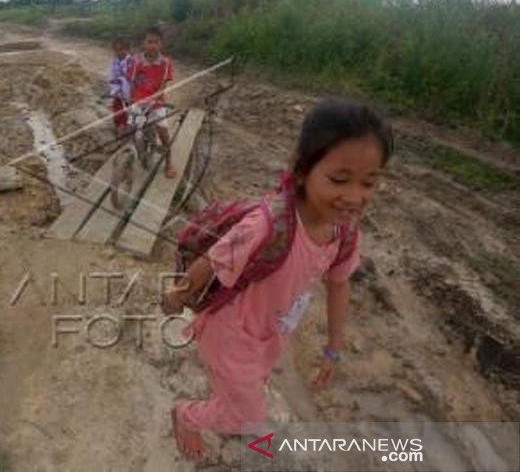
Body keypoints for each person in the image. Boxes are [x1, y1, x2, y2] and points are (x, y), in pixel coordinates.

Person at [162, 99, 394, 459]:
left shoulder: (344, 232)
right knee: (247, 417)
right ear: (301, 170)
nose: (354, 197)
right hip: (230, 333)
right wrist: (177, 296)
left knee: (248, 395)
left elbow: (339, 284)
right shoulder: (267, 226)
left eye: (369, 182)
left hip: (270, 334)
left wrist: (333, 348)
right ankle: (188, 415)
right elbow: (211, 260)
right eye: (339, 180)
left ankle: (249, 433)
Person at [129, 26, 176, 179]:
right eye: (149, 42)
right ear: (144, 43)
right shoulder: (136, 61)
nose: (152, 45)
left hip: (157, 102)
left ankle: (168, 162)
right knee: (132, 130)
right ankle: (139, 154)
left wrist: (155, 98)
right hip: (139, 101)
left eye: (156, 42)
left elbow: (163, 86)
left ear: (161, 44)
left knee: (163, 131)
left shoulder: (166, 63)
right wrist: (131, 101)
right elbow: (132, 83)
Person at [107, 36, 133, 136]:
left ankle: (124, 133)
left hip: (130, 96)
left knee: (129, 117)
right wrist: (115, 89)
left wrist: (123, 79)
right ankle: (119, 131)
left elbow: (133, 78)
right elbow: (111, 78)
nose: (119, 52)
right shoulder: (114, 63)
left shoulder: (132, 62)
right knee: (118, 115)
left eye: (122, 49)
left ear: (127, 49)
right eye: (116, 50)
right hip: (118, 95)